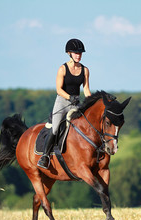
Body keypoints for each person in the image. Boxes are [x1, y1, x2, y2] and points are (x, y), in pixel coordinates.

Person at [37, 38, 91, 169]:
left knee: (85, 127)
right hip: (62, 102)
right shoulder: (63, 69)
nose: (79, 55)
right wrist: (69, 97)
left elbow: (86, 89)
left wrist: (91, 101)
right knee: (55, 129)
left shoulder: (85, 70)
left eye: (80, 53)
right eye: (76, 53)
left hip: (76, 102)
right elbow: (58, 89)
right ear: (69, 53)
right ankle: (44, 157)